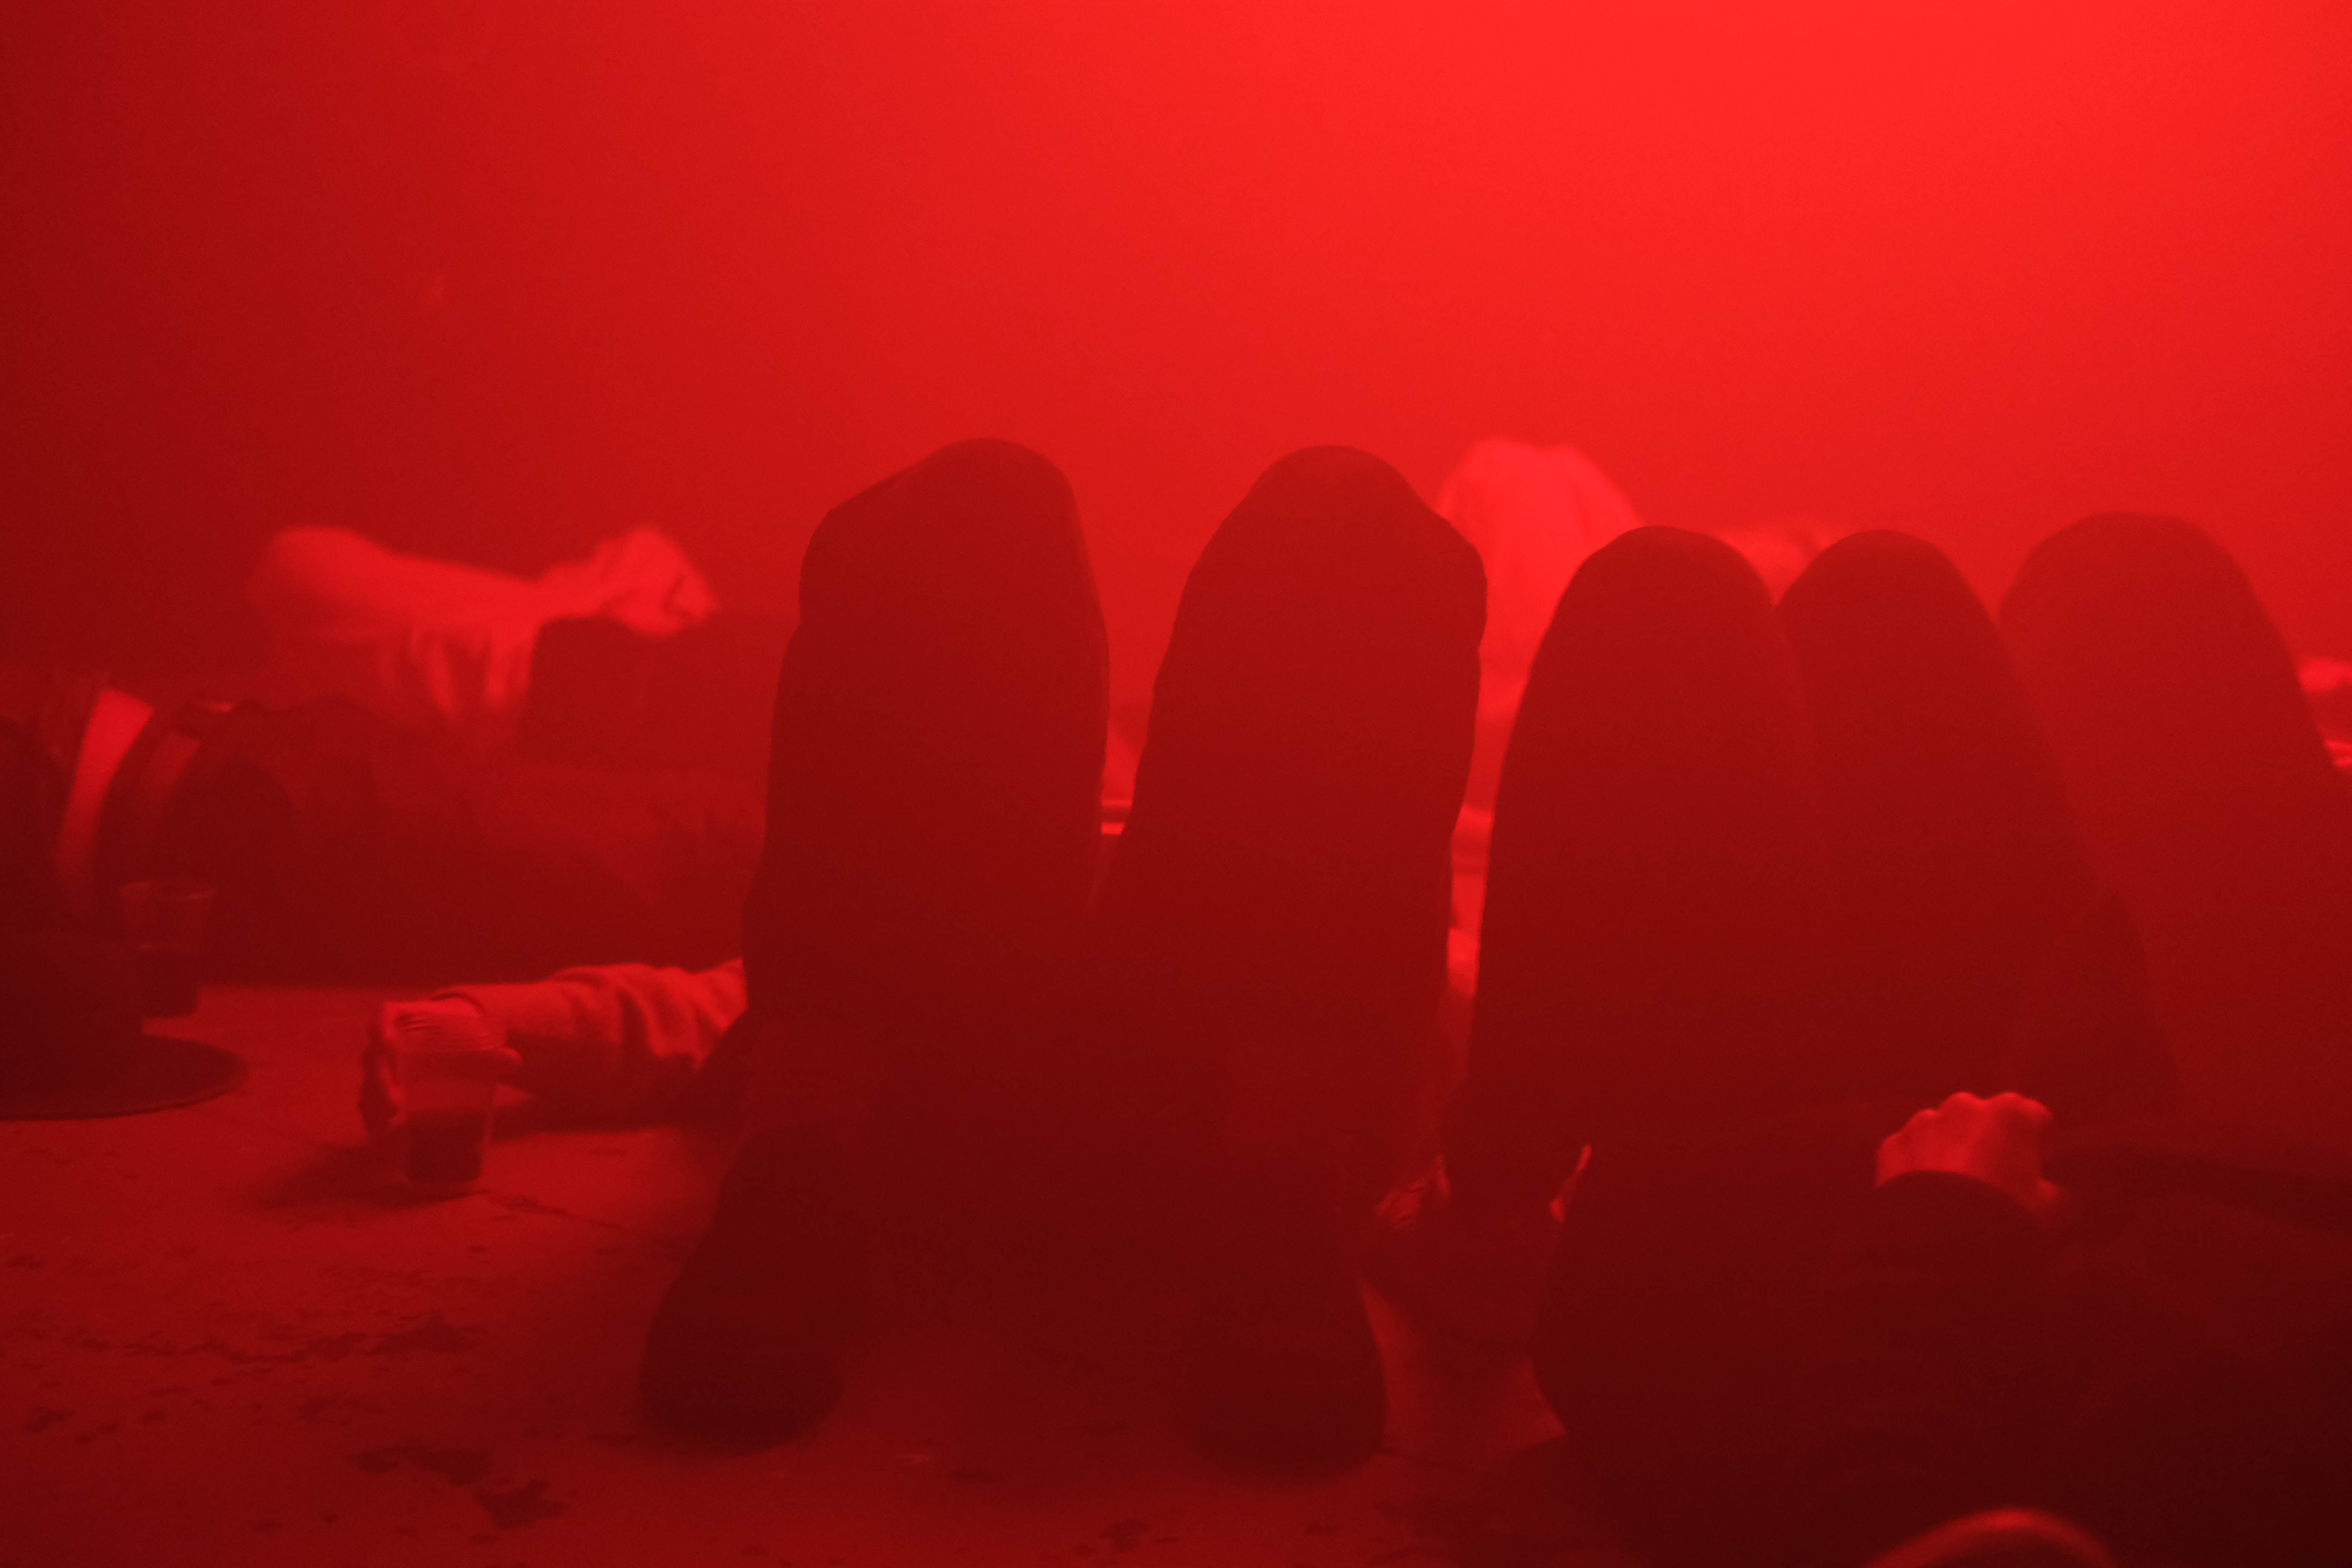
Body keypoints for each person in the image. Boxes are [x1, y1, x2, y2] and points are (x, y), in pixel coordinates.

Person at [637, 442, 1484, 1477]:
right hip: (946, 1072)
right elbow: (722, 992)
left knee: (1346, 507)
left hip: (1198, 1095)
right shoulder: (987, 812)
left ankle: (1279, 1181)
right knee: (985, 490)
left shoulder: (1225, 826)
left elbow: (1443, 988)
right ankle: (802, 1163)